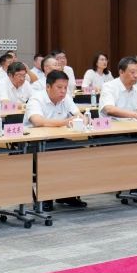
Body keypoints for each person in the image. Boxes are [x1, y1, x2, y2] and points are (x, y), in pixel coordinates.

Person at [26, 70, 87, 209]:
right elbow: (37, 121)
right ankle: (45, 198)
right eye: (59, 87)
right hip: (35, 143)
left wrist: (82, 119)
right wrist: (65, 122)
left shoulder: (66, 98)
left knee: (81, 153)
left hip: (59, 140)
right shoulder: (36, 99)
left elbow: (79, 115)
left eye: (65, 87)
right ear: (48, 87)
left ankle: (68, 194)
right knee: (52, 156)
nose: (63, 91)